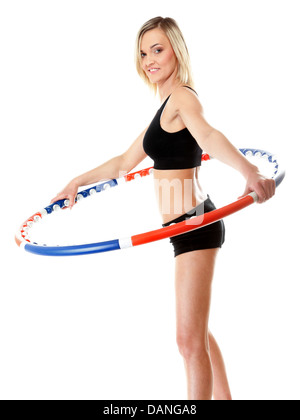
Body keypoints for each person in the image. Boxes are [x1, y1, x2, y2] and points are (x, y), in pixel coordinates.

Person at [51, 17, 276, 400]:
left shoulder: (184, 98)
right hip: (183, 229)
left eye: (157, 49)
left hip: (194, 225)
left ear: (176, 49)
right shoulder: (165, 108)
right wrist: (76, 181)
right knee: (197, 334)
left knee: (187, 342)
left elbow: (208, 135)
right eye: (142, 53)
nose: (149, 60)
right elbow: (124, 163)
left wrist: (249, 170)